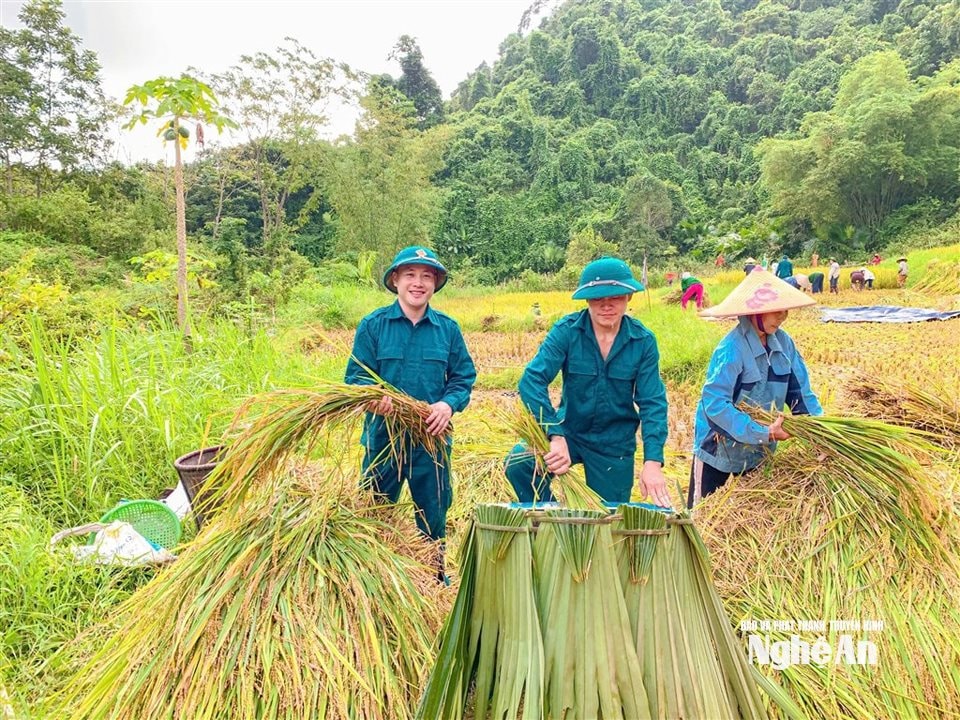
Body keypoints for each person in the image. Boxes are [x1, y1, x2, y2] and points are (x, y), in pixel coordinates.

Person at [345, 246, 477, 580]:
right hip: (383, 438)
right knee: (376, 512)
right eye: (410, 275)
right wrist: (374, 398)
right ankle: (376, 578)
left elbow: (463, 378)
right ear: (395, 280)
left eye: (426, 276)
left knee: (433, 511)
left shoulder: (447, 329)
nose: (418, 283)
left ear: (435, 284)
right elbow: (356, 378)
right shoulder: (373, 326)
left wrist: (447, 405)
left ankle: (433, 576)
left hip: (431, 440)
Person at [504, 257, 671, 508]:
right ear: (587, 300)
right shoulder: (567, 331)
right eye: (597, 298)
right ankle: (552, 520)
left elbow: (653, 402)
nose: (606, 305)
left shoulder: (642, 341)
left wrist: (653, 463)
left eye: (614, 297)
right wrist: (554, 434)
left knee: (606, 518)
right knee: (518, 463)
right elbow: (532, 380)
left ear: (629, 297)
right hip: (570, 431)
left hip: (614, 444)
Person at [688, 269, 823, 508]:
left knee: (753, 513)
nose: (783, 316)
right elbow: (715, 405)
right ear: (755, 312)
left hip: (759, 452)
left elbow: (801, 393)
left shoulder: (784, 343)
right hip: (718, 447)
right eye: (777, 310)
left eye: (785, 310)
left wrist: (821, 435)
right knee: (700, 515)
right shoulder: (731, 349)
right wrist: (764, 432)